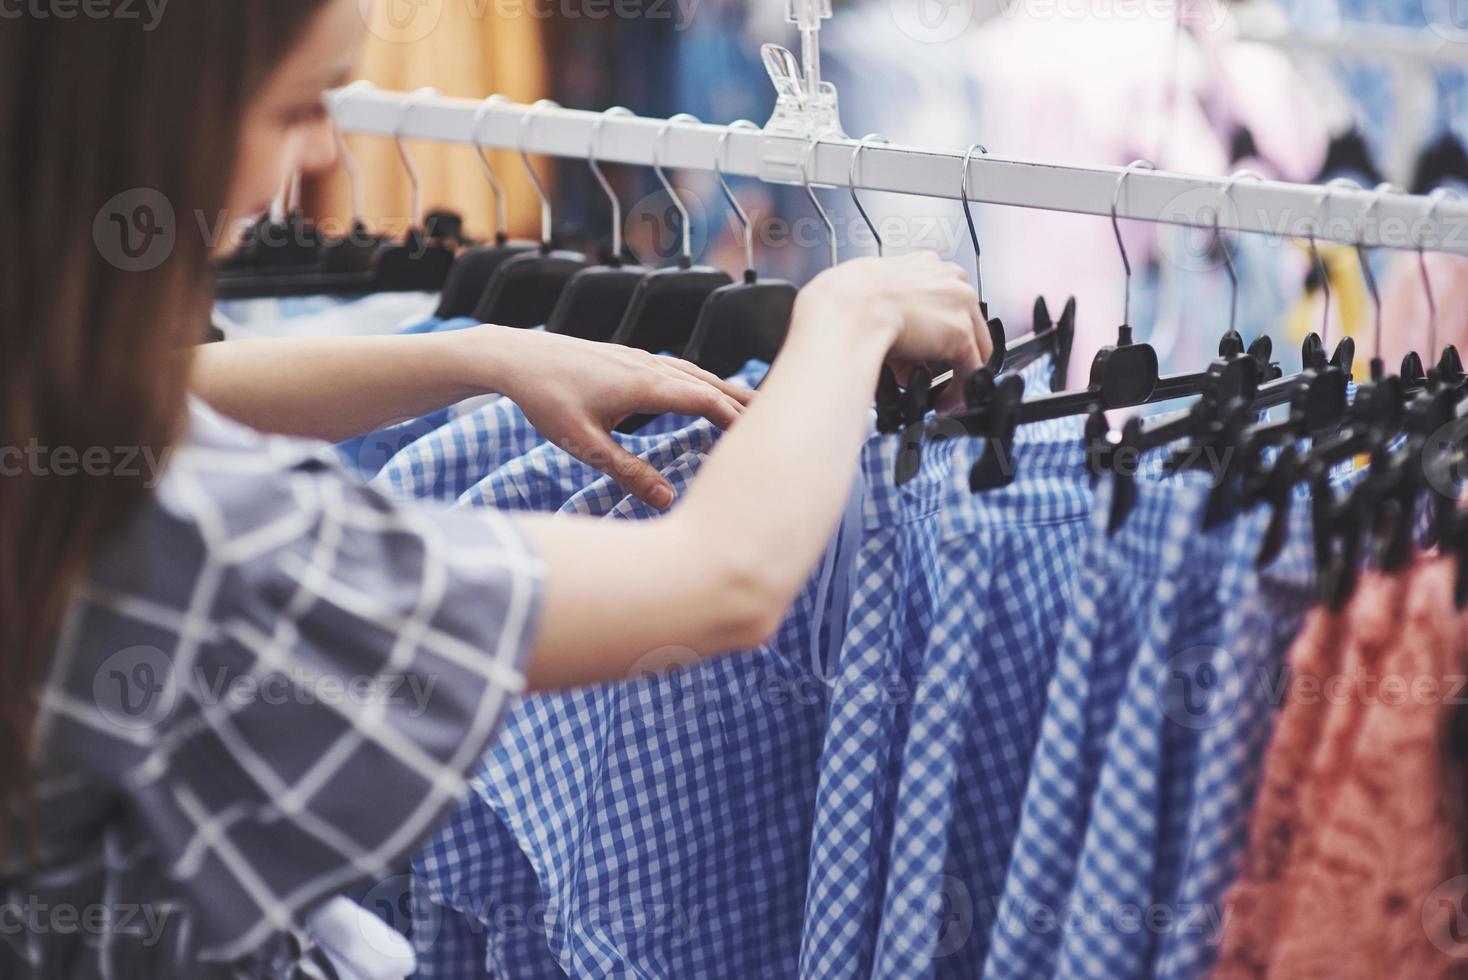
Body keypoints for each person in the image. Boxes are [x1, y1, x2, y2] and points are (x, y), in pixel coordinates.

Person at [0, 1, 990, 975]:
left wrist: (485, 353)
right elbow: (724, 577)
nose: (314, 158)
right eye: (295, 107)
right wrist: (844, 315)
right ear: (147, 131)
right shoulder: (214, 543)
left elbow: (163, 392)